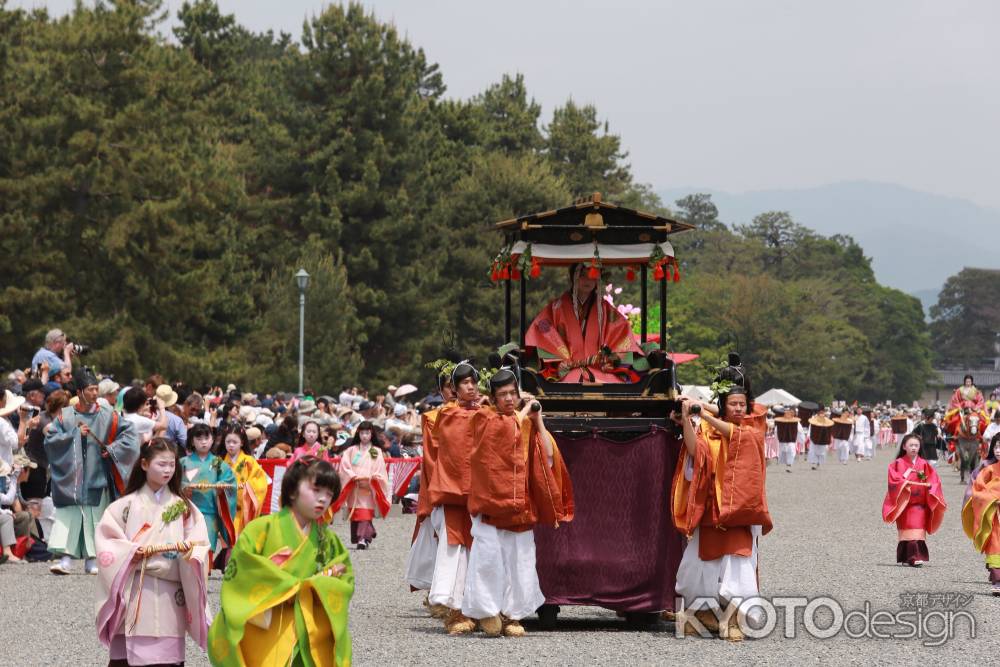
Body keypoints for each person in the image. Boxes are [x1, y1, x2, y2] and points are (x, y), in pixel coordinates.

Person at [208, 457, 354, 666]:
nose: (323, 499)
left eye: (329, 494)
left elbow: (344, 578)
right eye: (316, 490)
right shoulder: (261, 529)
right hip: (266, 627)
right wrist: (281, 582)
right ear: (293, 490)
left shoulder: (327, 540)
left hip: (307, 626)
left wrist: (318, 585)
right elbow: (241, 571)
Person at [461, 368, 573, 637]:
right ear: (493, 397)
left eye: (513, 393)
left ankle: (513, 616)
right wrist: (522, 414)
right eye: (503, 395)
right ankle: (489, 611)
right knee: (488, 561)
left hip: (520, 504)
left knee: (520, 562)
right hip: (490, 506)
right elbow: (501, 436)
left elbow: (548, 454)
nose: (509, 399)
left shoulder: (524, 419)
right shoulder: (484, 418)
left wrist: (539, 419)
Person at [672, 356, 772, 641]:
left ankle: (736, 617)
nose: (739, 409)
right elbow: (695, 453)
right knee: (702, 564)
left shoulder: (753, 429)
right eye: (733, 404)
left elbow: (734, 432)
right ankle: (702, 615)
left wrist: (703, 411)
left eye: (742, 404)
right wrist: (688, 421)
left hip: (741, 512)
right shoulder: (709, 431)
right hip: (712, 510)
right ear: (724, 404)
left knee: (739, 564)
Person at [95, 438, 211, 667]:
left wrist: (190, 551)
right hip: (137, 584)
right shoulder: (125, 505)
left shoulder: (183, 507)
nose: (168, 470)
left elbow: (199, 542)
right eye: (161, 464)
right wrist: (128, 554)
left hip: (170, 588)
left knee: (167, 654)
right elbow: (107, 541)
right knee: (128, 655)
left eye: (172, 465)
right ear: (145, 464)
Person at [44, 367, 139, 575]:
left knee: (95, 517)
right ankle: (66, 559)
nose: (95, 393)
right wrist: (74, 434)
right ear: (79, 392)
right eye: (90, 389)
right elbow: (50, 440)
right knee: (70, 515)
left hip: (97, 475)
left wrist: (112, 449)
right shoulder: (65, 416)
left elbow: (130, 435)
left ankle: (93, 559)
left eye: (96, 389)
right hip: (72, 478)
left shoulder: (108, 414)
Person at [427, 362, 482, 634]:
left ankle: (483, 609)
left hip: (482, 495)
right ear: (455, 388)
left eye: (474, 381)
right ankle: (456, 612)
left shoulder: (487, 413)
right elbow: (452, 455)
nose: (470, 386)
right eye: (464, 383)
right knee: (455, 552)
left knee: (481, 551)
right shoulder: (446, 414)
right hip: (455, 494)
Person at [525, 263, 643, 383]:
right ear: (573, 278)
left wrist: (611, 360)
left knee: (615, 386)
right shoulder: (557, 308)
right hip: (567, 370)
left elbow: (621, 332)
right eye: (582, 275)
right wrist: (559, 362)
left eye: (593, 275)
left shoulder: (604, 309)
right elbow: (543, 330)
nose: (588, 280)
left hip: (600, 370)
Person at [405, 365, 455, 613]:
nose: (454, 390)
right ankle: (438, 591)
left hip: (467, 485)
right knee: (439, 537)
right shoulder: (433, 418)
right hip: (443, 484)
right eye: (449, 386)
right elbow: (433, 457)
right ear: (441, 390)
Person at [882, 433, 946, 567]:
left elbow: (934, 479)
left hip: (920, 503)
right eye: (911, 445)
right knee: (907, 530)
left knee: (917, 529)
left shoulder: (923, 463)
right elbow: (894, 480)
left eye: (916, 445)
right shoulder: (897, 463)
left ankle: (914, 557)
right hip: (905, 503)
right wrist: (904, 480)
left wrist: (931, 486)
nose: (913, 448)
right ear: (904, 446)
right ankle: (907, 557)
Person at [331, 421, 391, 550]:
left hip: (369, 487)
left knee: (365, 512)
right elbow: (344, 466)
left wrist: (372, 479)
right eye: (362, 433)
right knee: (356, 514)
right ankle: (366, 534)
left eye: (367, 433)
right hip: (354, 485)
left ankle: (363, 538)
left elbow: (379, 468)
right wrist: (353, 476)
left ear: (371, 434)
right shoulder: (351, 450)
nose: (365, 436)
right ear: (358, 434)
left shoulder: (376, 451)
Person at [181, 422, 236, 560]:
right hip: (187, 511)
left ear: (213, 440)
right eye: (199, 439)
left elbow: (229, 480)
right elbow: (173, 482)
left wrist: (221, 486)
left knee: (207, 542)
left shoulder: (217, 462)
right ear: (192, 442)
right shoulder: (183, 462)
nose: (203, 442)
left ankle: (206, 571)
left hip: (210, 511)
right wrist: (183, 487)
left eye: (207, 438)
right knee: (188, 542)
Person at [962, 434, 1000, 595]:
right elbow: (977, 490)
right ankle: (997, 581)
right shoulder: (988, 468)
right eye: (997, 446)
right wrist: (992, 500)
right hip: (993, 515)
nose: (998, 450)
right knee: (995, 544)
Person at [218, 425, 269, 540]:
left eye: (234, 442)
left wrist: (247, 487)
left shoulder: (249, 461)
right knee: (227, 547)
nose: (231, 445)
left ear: (242, 443)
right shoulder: (219, 462)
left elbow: (260, 482)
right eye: (228, 441)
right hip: (225, 510)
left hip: (244, 511)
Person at [774, 408, 799, 473]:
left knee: (791, 452)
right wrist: (777, 438)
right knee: (784, 452)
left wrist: (800, 439)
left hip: (791, 440)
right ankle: (786, 462)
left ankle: (789, 465)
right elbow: (776, 430)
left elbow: (799, 430)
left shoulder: (795, 421)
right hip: (783, 440)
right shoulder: (780, 421)